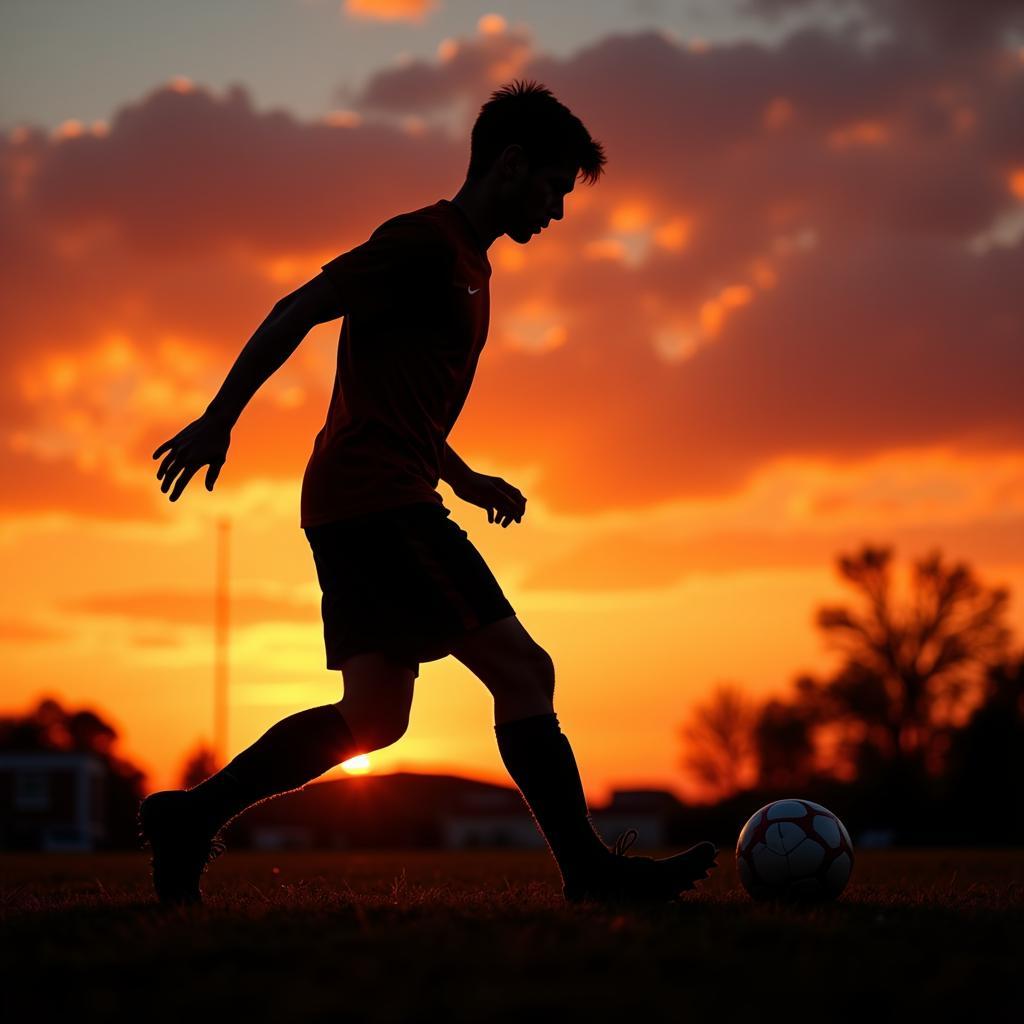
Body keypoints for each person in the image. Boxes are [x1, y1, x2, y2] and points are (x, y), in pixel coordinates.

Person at [139, 79, 718, 907]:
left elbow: (396, 401)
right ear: (511, 164)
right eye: (554, 187)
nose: (557, 211)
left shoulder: (471, 267)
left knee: (375, 719)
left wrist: (463, 474)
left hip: (368, 497)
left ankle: (192, 818)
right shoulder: (423, 244)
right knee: (525, 672)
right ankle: (589, 873)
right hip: (380, 505)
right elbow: (298, 306)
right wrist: (218, 417)